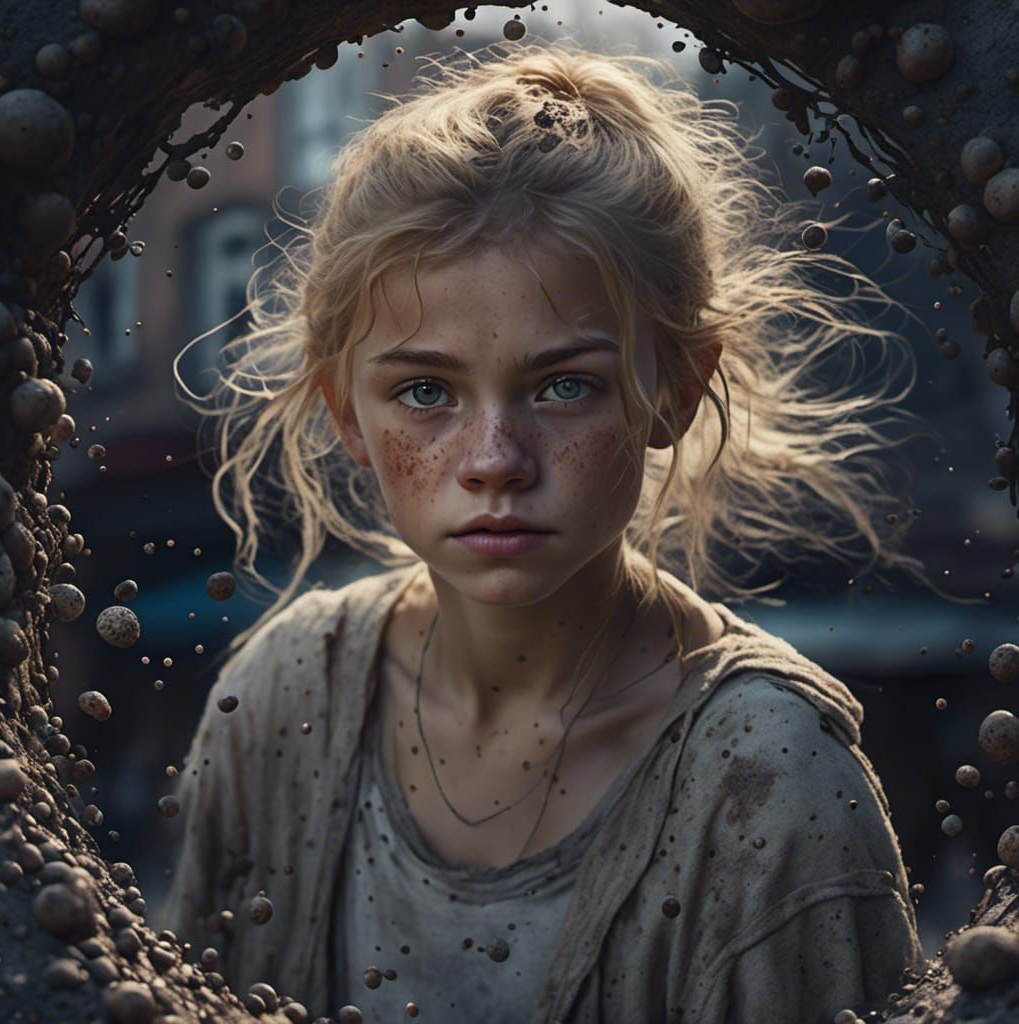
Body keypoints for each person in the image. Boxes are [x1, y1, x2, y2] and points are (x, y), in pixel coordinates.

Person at [161, 39, 933, 1024]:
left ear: (675, 392)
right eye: (426, 391)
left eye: (563, 385)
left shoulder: (769, 787)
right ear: (346, 411)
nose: (494, 458)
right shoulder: (282, 705)